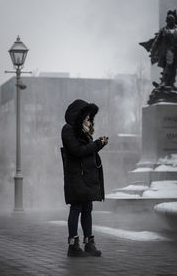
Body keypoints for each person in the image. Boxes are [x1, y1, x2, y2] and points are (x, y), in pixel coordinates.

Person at [61, 99, 108, 257]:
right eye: (87, 115)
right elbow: (77, 151)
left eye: (90, 116)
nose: (89, 118)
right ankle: (73, 246)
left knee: (87, 209)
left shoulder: (83, 132)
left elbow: (87, 152)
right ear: (79, 114)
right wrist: (97, 144)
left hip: (86, 177)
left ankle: (89, 243)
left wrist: (98, 144)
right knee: (76, 208)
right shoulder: (68, 130)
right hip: (76, 177)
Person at [140, 10, 177, 88]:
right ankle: (164, 82)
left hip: (176, 51)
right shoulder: (163, 30)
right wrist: (153, 50)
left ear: (173, 21)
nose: (169, 22)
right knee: (168, 66)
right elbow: (157, 41)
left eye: (171, 20)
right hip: (167, 51)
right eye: (168, 21)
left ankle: (171, 83)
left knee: (174, 68)